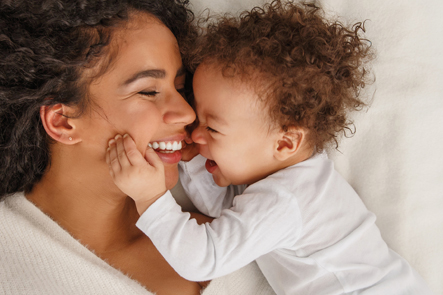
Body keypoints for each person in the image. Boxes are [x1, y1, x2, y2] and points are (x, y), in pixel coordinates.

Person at [106, 1, 434, 294]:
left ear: (285, 142)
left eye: (213, 127)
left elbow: (204, 258)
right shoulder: (287, 180)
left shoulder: (287, 199)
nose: (195, 131)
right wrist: (191, 162)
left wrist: (150, 198)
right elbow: (226, 217)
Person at [0, 0, 277, 294]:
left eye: (181, 88)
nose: (187, 113)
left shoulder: (235, 228)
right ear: (63, 121)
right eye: (148, 91)